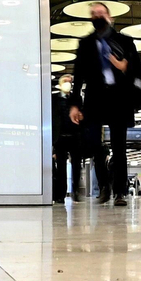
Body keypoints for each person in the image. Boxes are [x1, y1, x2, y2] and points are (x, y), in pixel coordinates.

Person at [68, 2, 141, 206]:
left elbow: (138, 69)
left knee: (119, 147)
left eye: (101, 13)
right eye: (94, 14)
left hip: (119, 99)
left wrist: (124, 66)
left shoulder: (125, 41)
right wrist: (75, 104)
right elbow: (78, 76)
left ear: (110, 17)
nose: (98, 16)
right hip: (95, 99)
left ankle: (120, 192)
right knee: (94, 144)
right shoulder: (85, 44)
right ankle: (104, 186)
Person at [51, 72, 83, 203]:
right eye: (66, 81)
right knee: (61, 167)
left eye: (70, 81)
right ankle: (60, 194)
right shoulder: (53, 99)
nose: (68, 84)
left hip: (75, 136)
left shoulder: (76, 99)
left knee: (76, 164)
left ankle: (76, 190)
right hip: (60, 137)